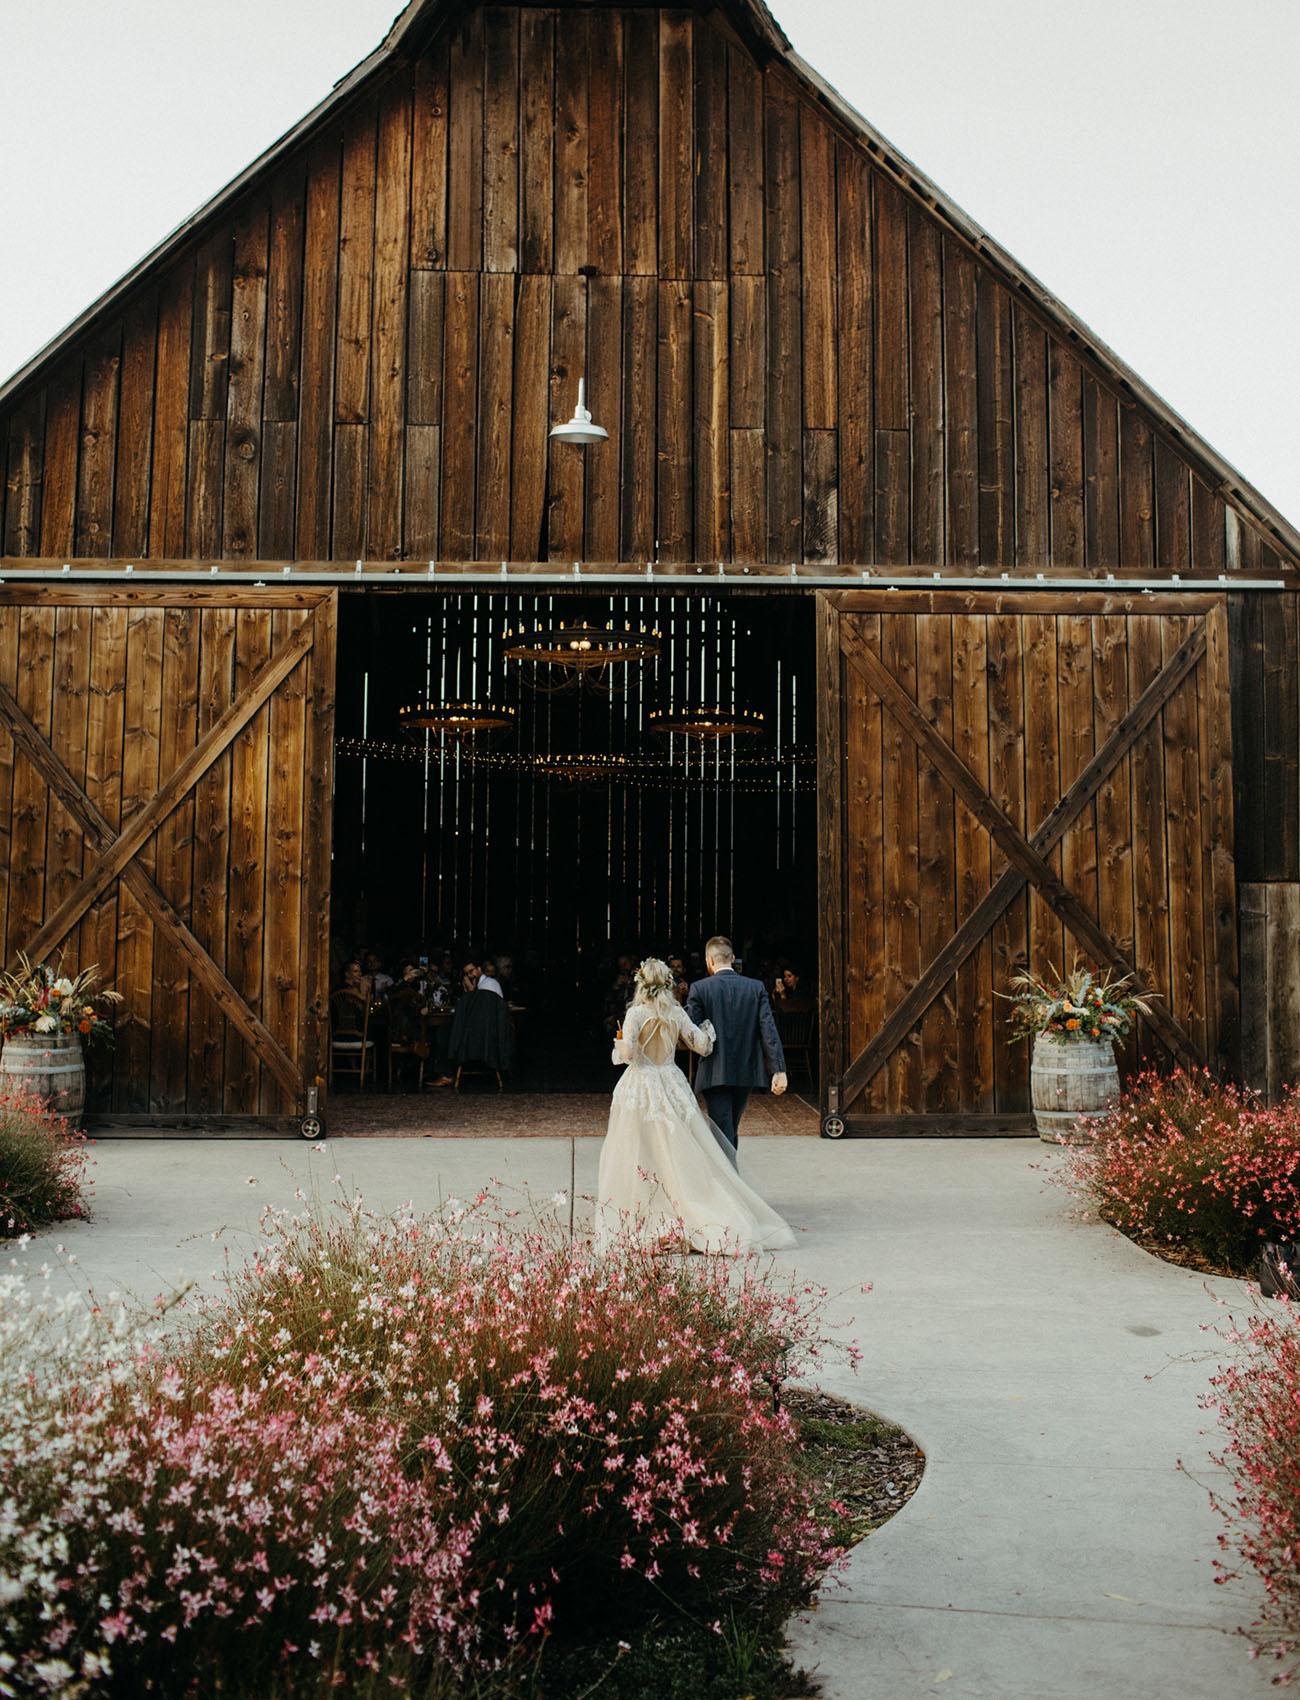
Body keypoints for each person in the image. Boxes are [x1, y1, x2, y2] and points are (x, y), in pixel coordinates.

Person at [596, 958, 795, 1254]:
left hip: (640, 1086)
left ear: (640, 984)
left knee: (638, 1146)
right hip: (671, 1082)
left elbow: (627, 1054)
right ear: (668, 985)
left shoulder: (635, 1014)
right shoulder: (676, 1013)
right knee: (678, 1147)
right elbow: (701, 1044)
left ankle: (642, 1207)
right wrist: (708, 1029)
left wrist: (620, 1042)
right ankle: (690, 1205)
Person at [686, 935, 787, 1153]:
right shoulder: (756, 988)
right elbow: (768, 1030)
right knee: (729, 1127)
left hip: (714, 1069)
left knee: (724, 1130)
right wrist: (778, 1070)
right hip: (746, 1070)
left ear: (708, 960)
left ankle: (728, 1181)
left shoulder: (699, 989)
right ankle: (729, 1178)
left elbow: (691, 1031)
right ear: (732, 957)